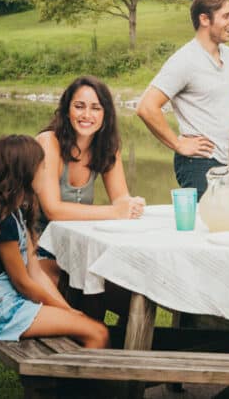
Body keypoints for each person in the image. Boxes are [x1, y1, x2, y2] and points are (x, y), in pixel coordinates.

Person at [0, 134, 109, 348]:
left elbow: (35, 272)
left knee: (87, 326)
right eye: (42, 167)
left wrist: (67, 310)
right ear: (24, 172)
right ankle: (79, 383)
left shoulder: (14, 211)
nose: (46, 173)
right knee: (98, 333)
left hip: (8, 304)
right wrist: (67, 311)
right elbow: (24, 283)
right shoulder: (3, 221)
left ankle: (77, 380)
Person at [136, 0, 229, 195]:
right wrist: (177, 144)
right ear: (204, 19)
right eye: (226, 16)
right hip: (200, 164)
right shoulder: (185, 60)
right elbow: (146, 107)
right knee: (208, 226)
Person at [34, 75, 145, 285]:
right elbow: (53, 210)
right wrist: (115, 212)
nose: (87, 115)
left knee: (123, 282)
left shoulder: (107, 147)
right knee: (78, 283)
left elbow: (121, 198)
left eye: (95, 108)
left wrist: (130, 205)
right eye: (79, 106)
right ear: (67, 109)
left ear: (106, 114)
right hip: (34, 244)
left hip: (74, 244)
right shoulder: (49, 143)